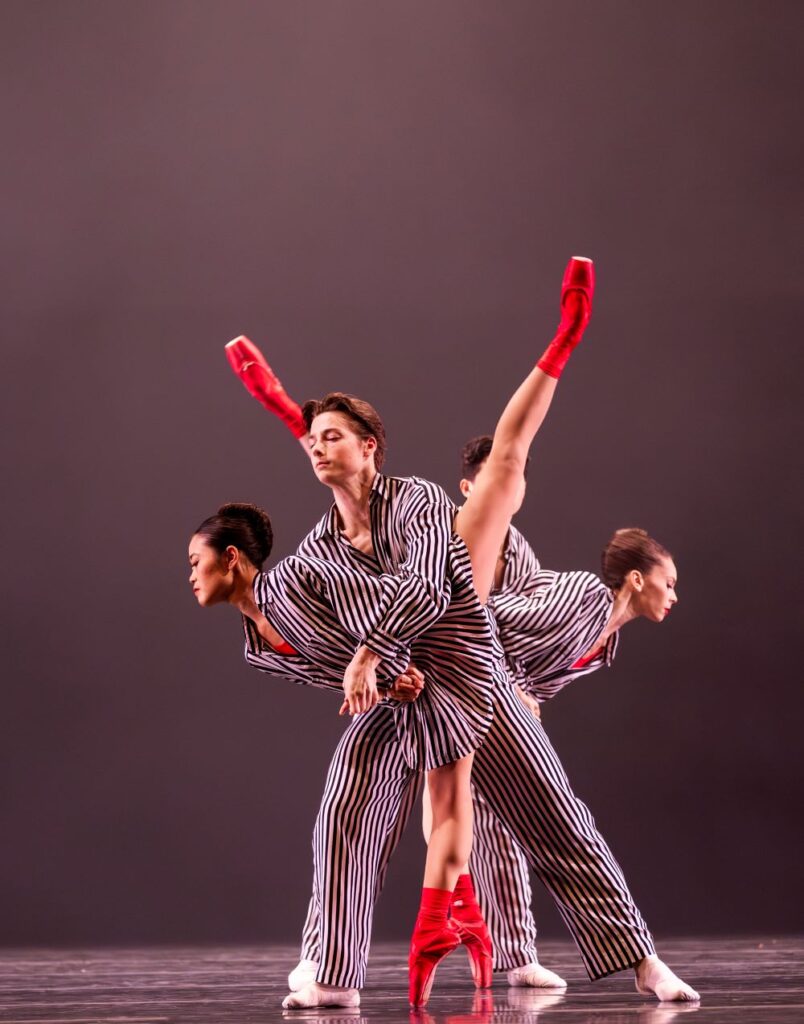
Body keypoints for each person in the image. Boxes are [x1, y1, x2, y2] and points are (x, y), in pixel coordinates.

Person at [225, 257, 700, 1006]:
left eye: (335, 437)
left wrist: (372, 653)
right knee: (344, 817)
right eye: (311, 438)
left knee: (555, 817)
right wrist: (368, 665)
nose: (318, 447)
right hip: (402, 693)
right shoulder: (317, 550)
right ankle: (333, 978)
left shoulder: (416, 501)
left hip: (473, 675)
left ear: (371, 447)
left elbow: (423, 581)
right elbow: (313, 627)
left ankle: (643, 962)